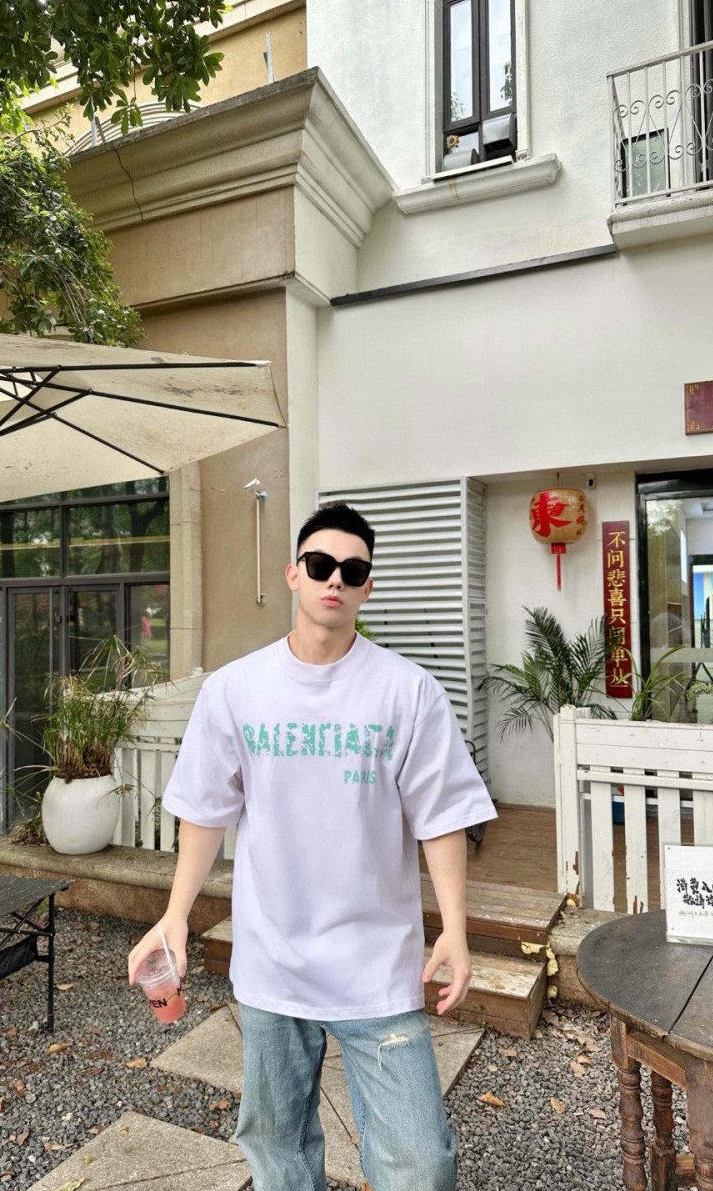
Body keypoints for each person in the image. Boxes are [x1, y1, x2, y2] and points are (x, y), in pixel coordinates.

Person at [127, 501, 496, 1191]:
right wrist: (175, 914)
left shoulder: (407, 690)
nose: (335, 580)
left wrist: (454, 928)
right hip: (272, 957)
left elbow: (442, 814)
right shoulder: (235, 688)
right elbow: (205, 812)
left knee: (420, 1161)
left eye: (352, 571)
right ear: (293, 573)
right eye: (321, 564)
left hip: (378, 962)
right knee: (278, 1146)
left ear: (367, 588)